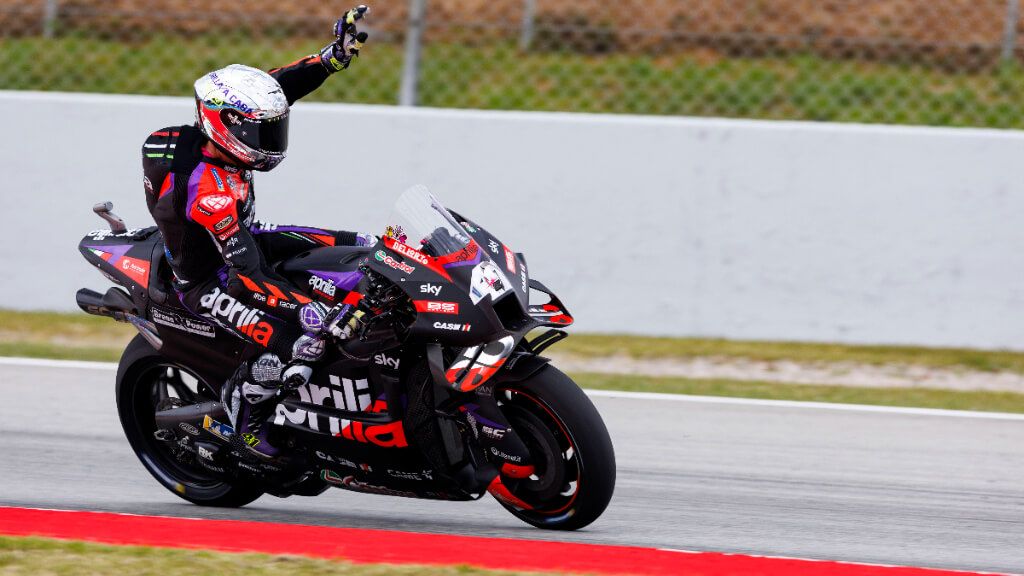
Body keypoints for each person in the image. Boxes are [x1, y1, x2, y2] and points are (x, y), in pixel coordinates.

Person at [142, 6, 373, 458]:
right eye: (260, 131)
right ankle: (244, 416)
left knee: (360, 245)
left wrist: (330, 59)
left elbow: (279, 89)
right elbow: (248, 274)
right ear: (225, 127)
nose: (270, 139)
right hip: (211, 281)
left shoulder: (220, 135)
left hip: (243, 236)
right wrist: (310, 311)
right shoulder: (208, 191)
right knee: (301, 341)